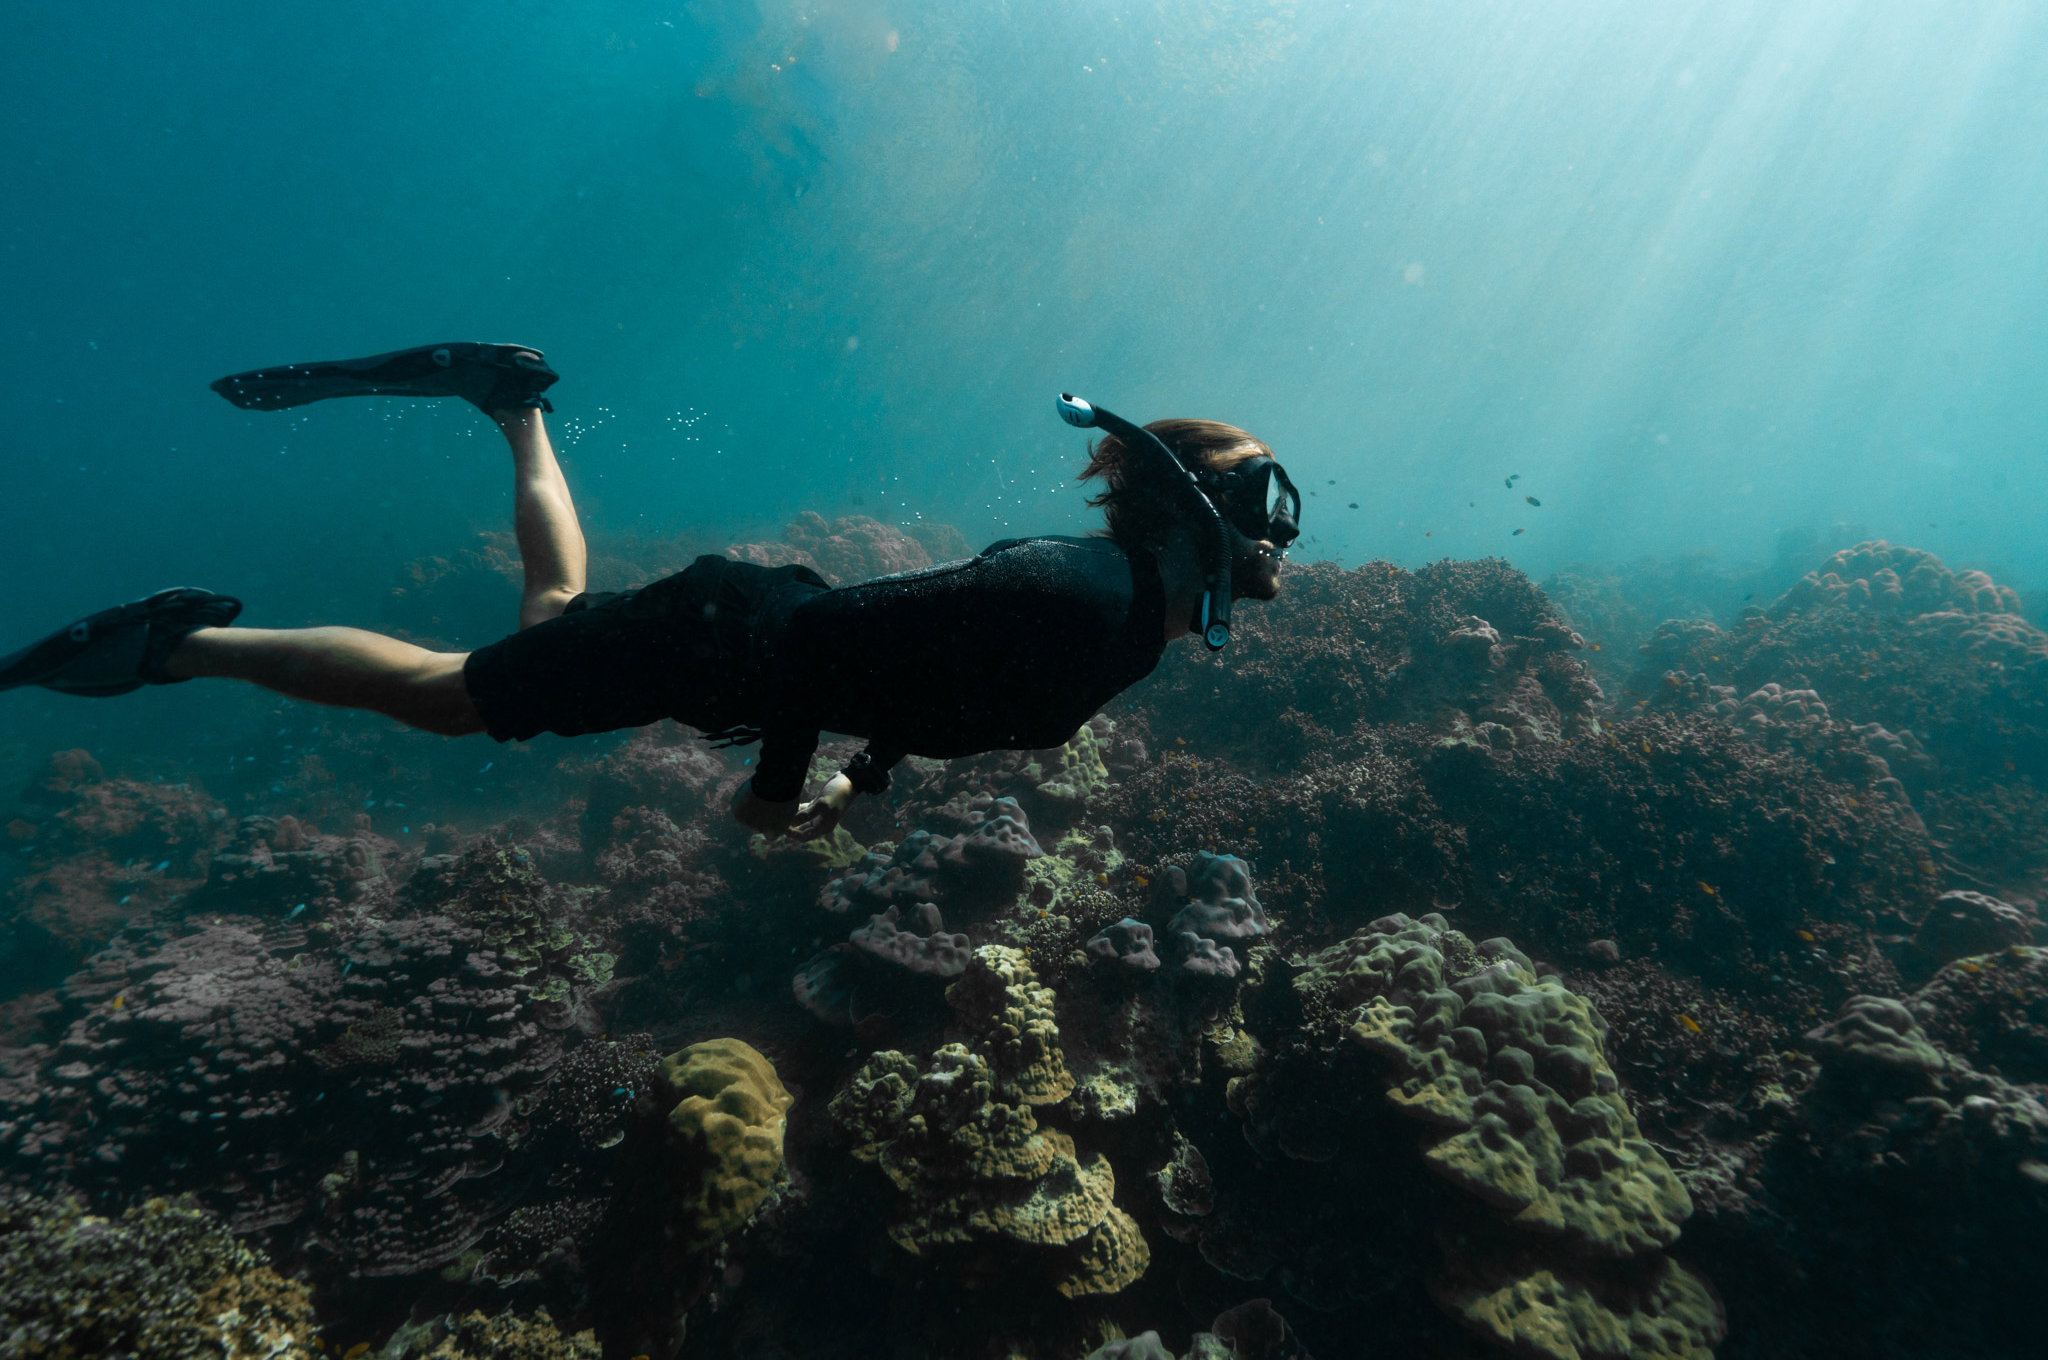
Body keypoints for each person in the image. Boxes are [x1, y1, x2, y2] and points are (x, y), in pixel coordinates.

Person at [0, 344, 1301, 840]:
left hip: (728, 641)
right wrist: (775, 791)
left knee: (549, 621)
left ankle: (514, 406)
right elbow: (833, 644)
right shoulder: (1081, 595)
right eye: (1263, 511)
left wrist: (861, 778)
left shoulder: (1127, 627)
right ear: (1197, 513)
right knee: (453, 698)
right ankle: (178, 645)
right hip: (720, 639)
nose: (1280, 550)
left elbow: (932, 680)